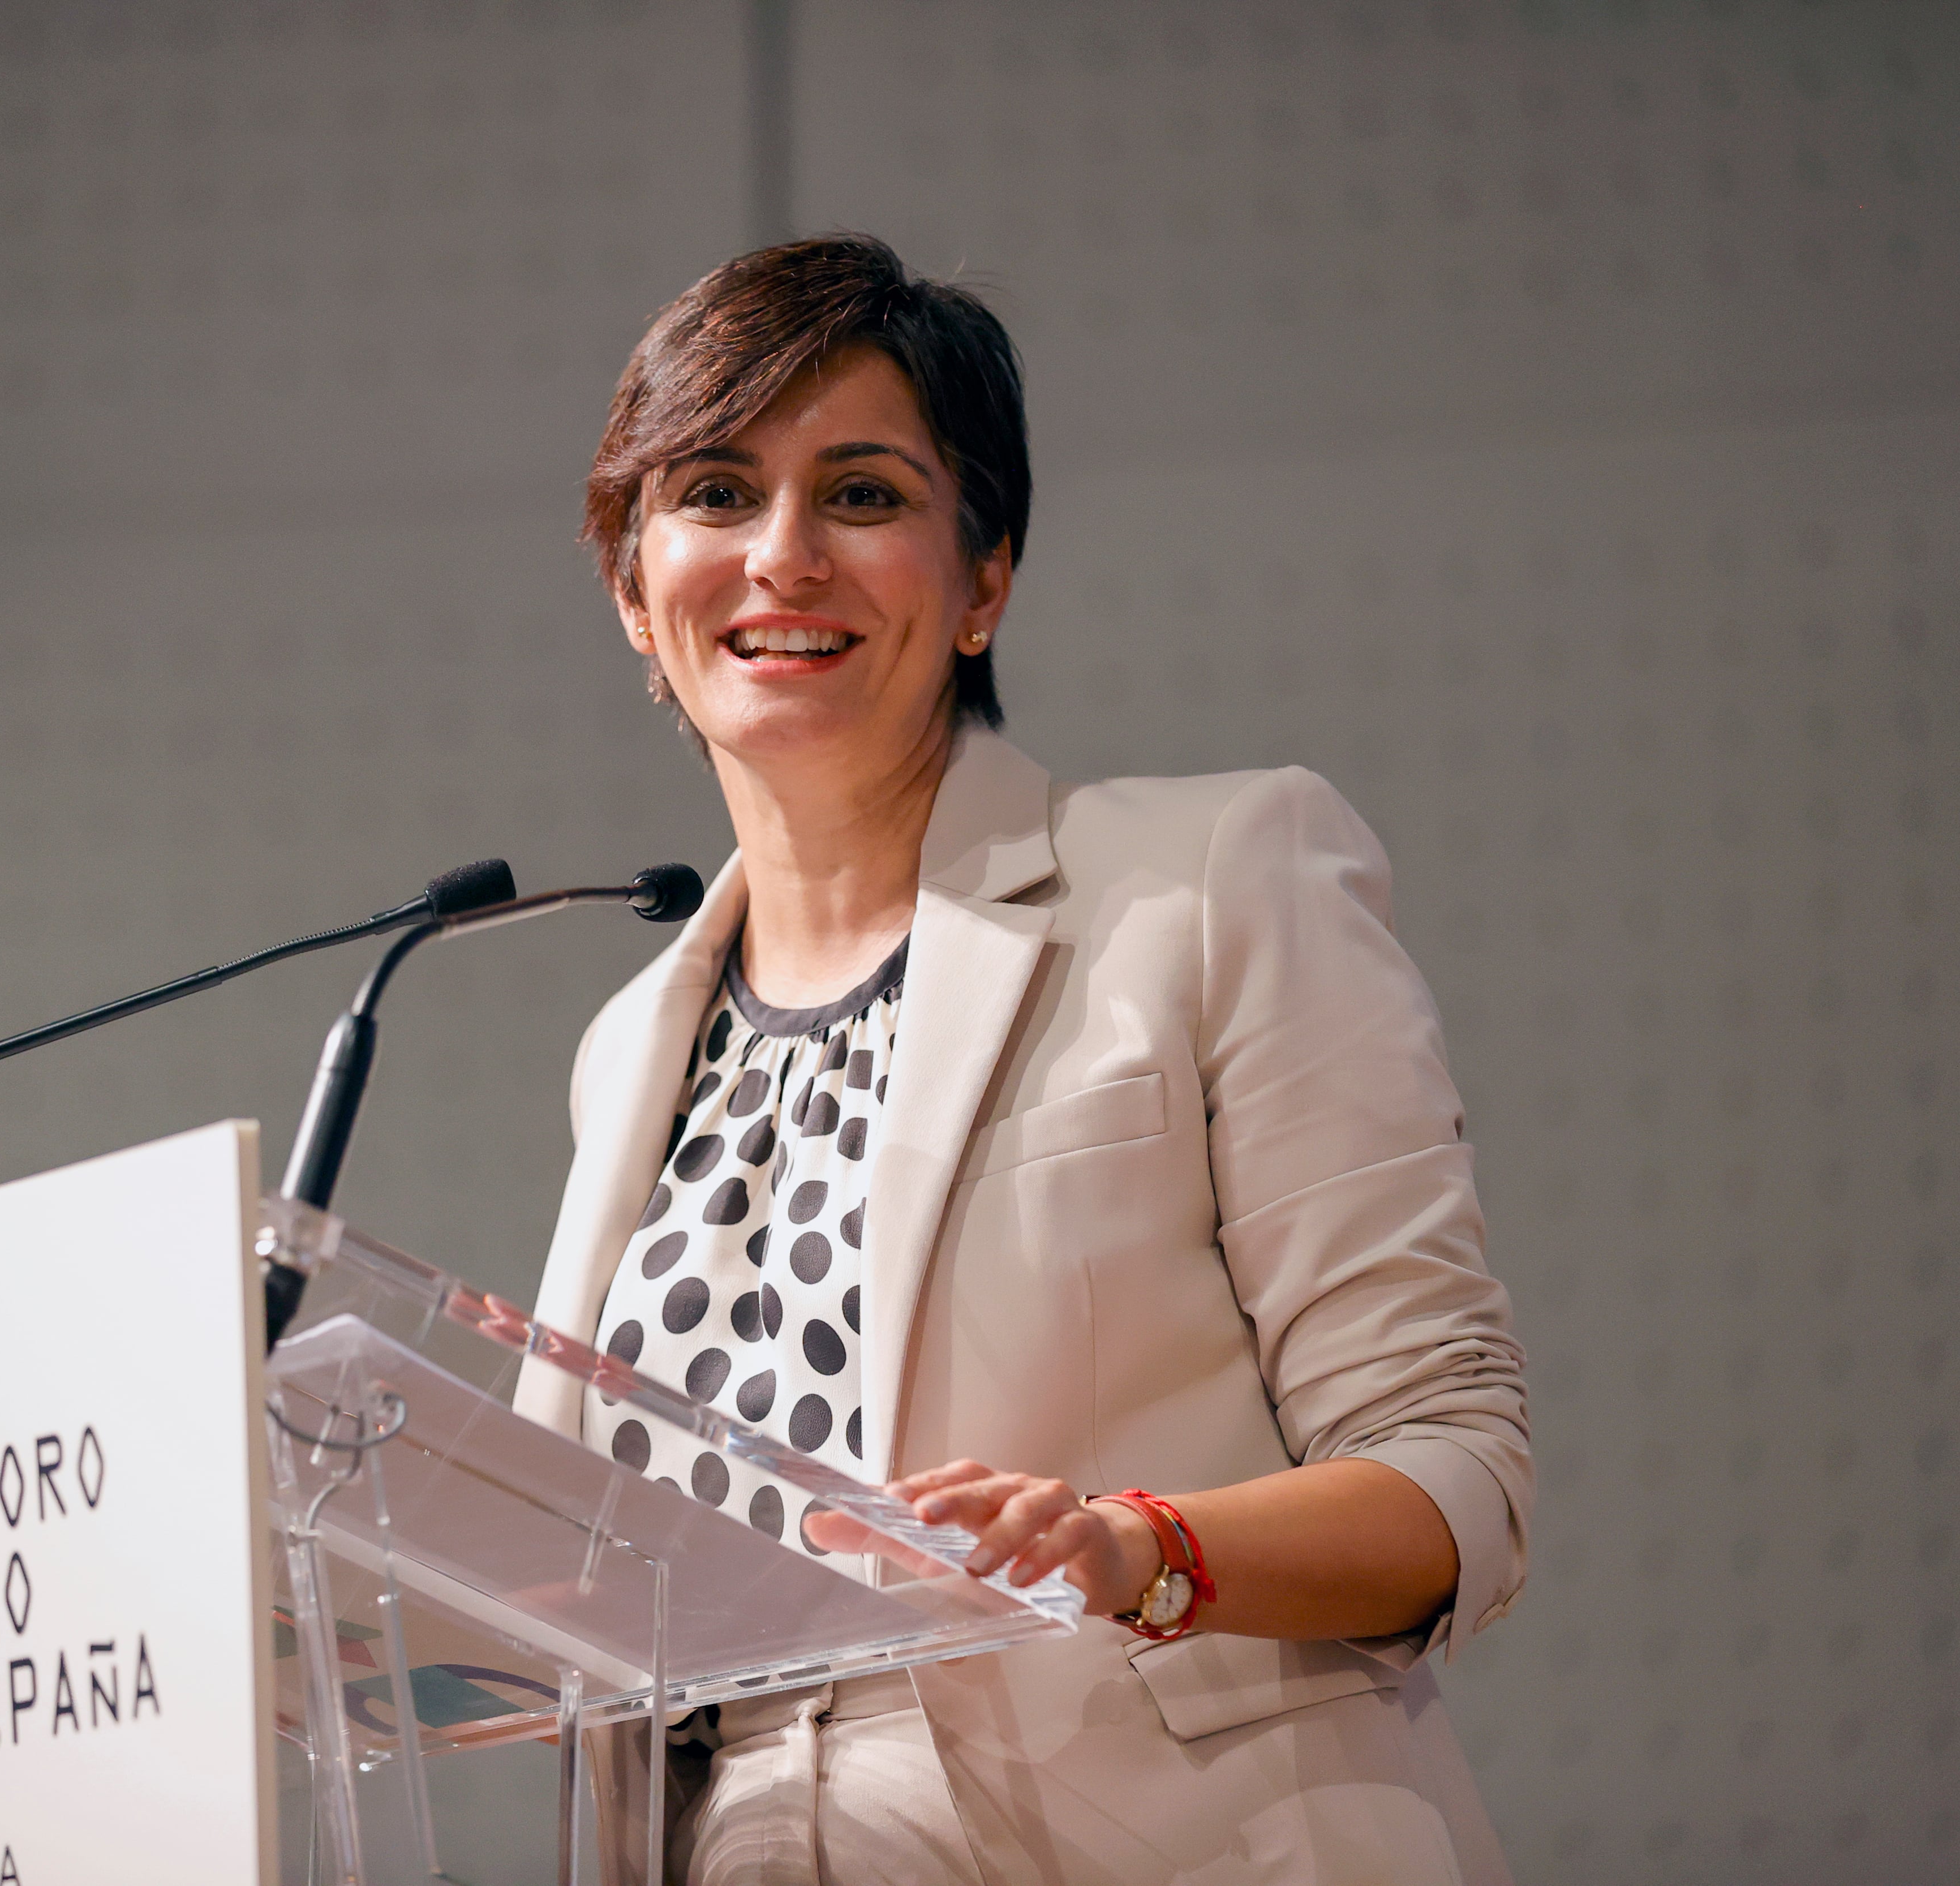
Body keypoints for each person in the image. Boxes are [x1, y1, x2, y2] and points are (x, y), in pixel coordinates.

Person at [513, 234, 1532, 1884]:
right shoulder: (629, 1052)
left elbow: (1455, 1480)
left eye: (862, 495)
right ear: (637, 592)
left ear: (984, 579)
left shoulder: (1211, 883)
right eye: (713, 492)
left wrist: (1137, 1547)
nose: (783, 556)